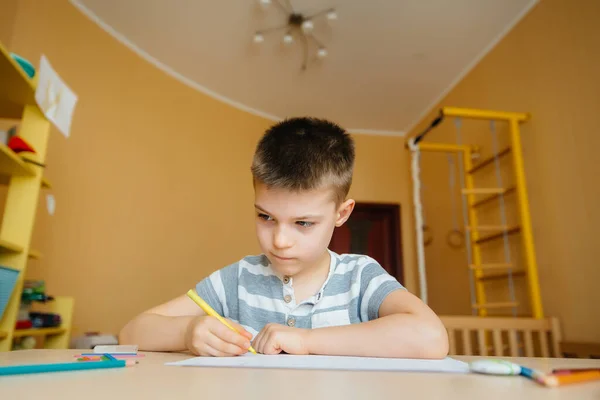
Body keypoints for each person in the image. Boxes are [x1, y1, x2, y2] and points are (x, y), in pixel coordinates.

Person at [119, 117, 448, 359]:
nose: (279, 241)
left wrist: (305, 341)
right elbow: (132, 332)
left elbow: (430, 337)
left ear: (341, 214)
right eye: (266, 217)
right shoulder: (238, 280)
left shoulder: (360, 277)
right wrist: (188, 332)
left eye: (303, 223)